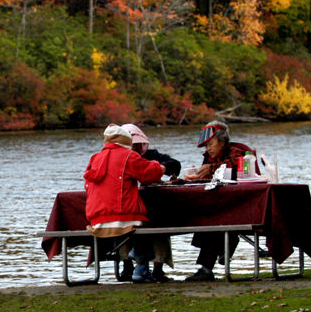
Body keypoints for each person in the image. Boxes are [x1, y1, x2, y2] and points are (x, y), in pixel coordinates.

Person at [84, 124, 165, 283]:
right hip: (123, 217)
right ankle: (141, 264)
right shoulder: (129, 156)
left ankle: (136, 263)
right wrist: (159, 166)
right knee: (153, 223)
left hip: (97, 221)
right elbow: (149, 174)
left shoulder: (95, 159)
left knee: (139, 225)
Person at [185, 120, 260, 281]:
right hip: (218, 206)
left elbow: (235, 169)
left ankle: (216, 257)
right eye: (206, 146)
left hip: (243, 206)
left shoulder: (239, 153)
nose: (208, 149)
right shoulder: (208, 159)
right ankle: (211, 263)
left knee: (216, 221)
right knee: (208, 218)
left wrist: (212, 170)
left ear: (222, 141)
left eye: (211, 144)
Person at [118, 123, 181, 282]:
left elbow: (175, 164)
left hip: (150, 204)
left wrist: (159, 168)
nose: (135, 148)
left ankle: (157, 269)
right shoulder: (117, 159)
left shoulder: (152, 155)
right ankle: (128, 265)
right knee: (125, 223)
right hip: (127, 209)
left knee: (159, 220)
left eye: (137, 144)